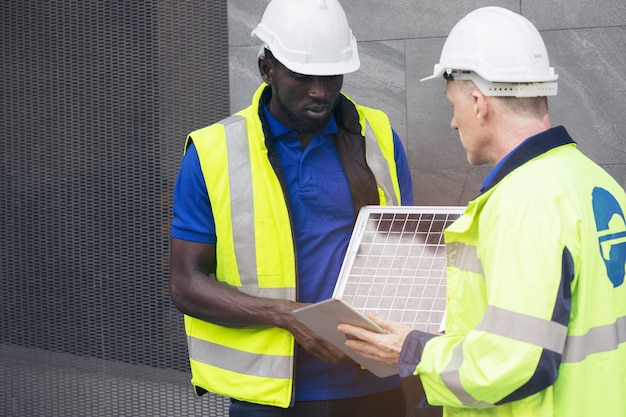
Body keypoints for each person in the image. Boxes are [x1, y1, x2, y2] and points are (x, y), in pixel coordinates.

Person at [338, 6, 626, 417]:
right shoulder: (595, 182)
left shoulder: (522, 203)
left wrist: (413, 350)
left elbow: (514, 364)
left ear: (478, 103)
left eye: (452, 104)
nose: (454, 123)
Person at [168, 0, 414, 415]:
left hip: (374, 386)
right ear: (267, 70)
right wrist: (284, 315)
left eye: (331, 76)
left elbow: (408, 259)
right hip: (268, 401)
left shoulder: (380, 136)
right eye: (303, 77)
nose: (320, 91)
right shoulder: (213, 152)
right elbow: (185, 283)